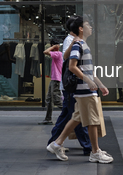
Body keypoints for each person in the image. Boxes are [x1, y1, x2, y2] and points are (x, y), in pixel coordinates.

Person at [47, 16, 113, 164]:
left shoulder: (82, 44)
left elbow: (88, 70)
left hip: (85, 88)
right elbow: (72, 66)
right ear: (81, 29)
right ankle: (94, 152)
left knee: (76, 118)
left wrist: (100, 84)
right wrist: (89, 81)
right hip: (84, 89)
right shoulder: (78, 45)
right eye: (88, 25)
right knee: (93, 121)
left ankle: (56, 144)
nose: (91, 27)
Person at [47, 16, 92, 155]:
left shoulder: (76, 41)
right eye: (86, 25)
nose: (89, 27)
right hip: (72, 85)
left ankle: (54, 142)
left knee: (69, 115)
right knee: (76, 115)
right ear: (78, 28)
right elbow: (67, 60)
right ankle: (89, 146)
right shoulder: (71, 40)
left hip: (71, 85)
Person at [38, 40, 63, 125]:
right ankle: (48, 119)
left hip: (57, 79)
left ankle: (73, 115)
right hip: (54, 79)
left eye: (58, 45)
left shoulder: (58, 54)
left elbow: (45, 52)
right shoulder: (58, 54)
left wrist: (53, 47)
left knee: (57, 100)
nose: (58, 46)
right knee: (49, 99)